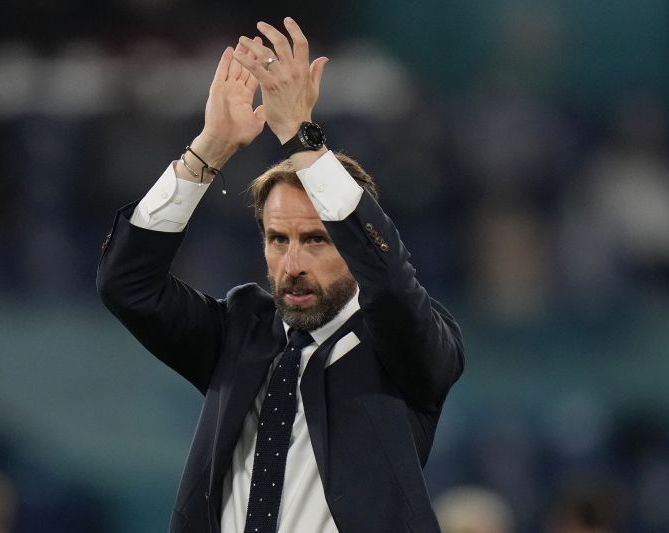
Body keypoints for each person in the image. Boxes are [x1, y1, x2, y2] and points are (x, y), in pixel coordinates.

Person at [98, 17, 464, 533]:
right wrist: (209, 150)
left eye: (316, 240)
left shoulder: (411, 345)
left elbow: (391, 281)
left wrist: (301, 138)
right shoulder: (240, 331)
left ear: (352, 244)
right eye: (278, 240)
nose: (292, 265)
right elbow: (126, 285)